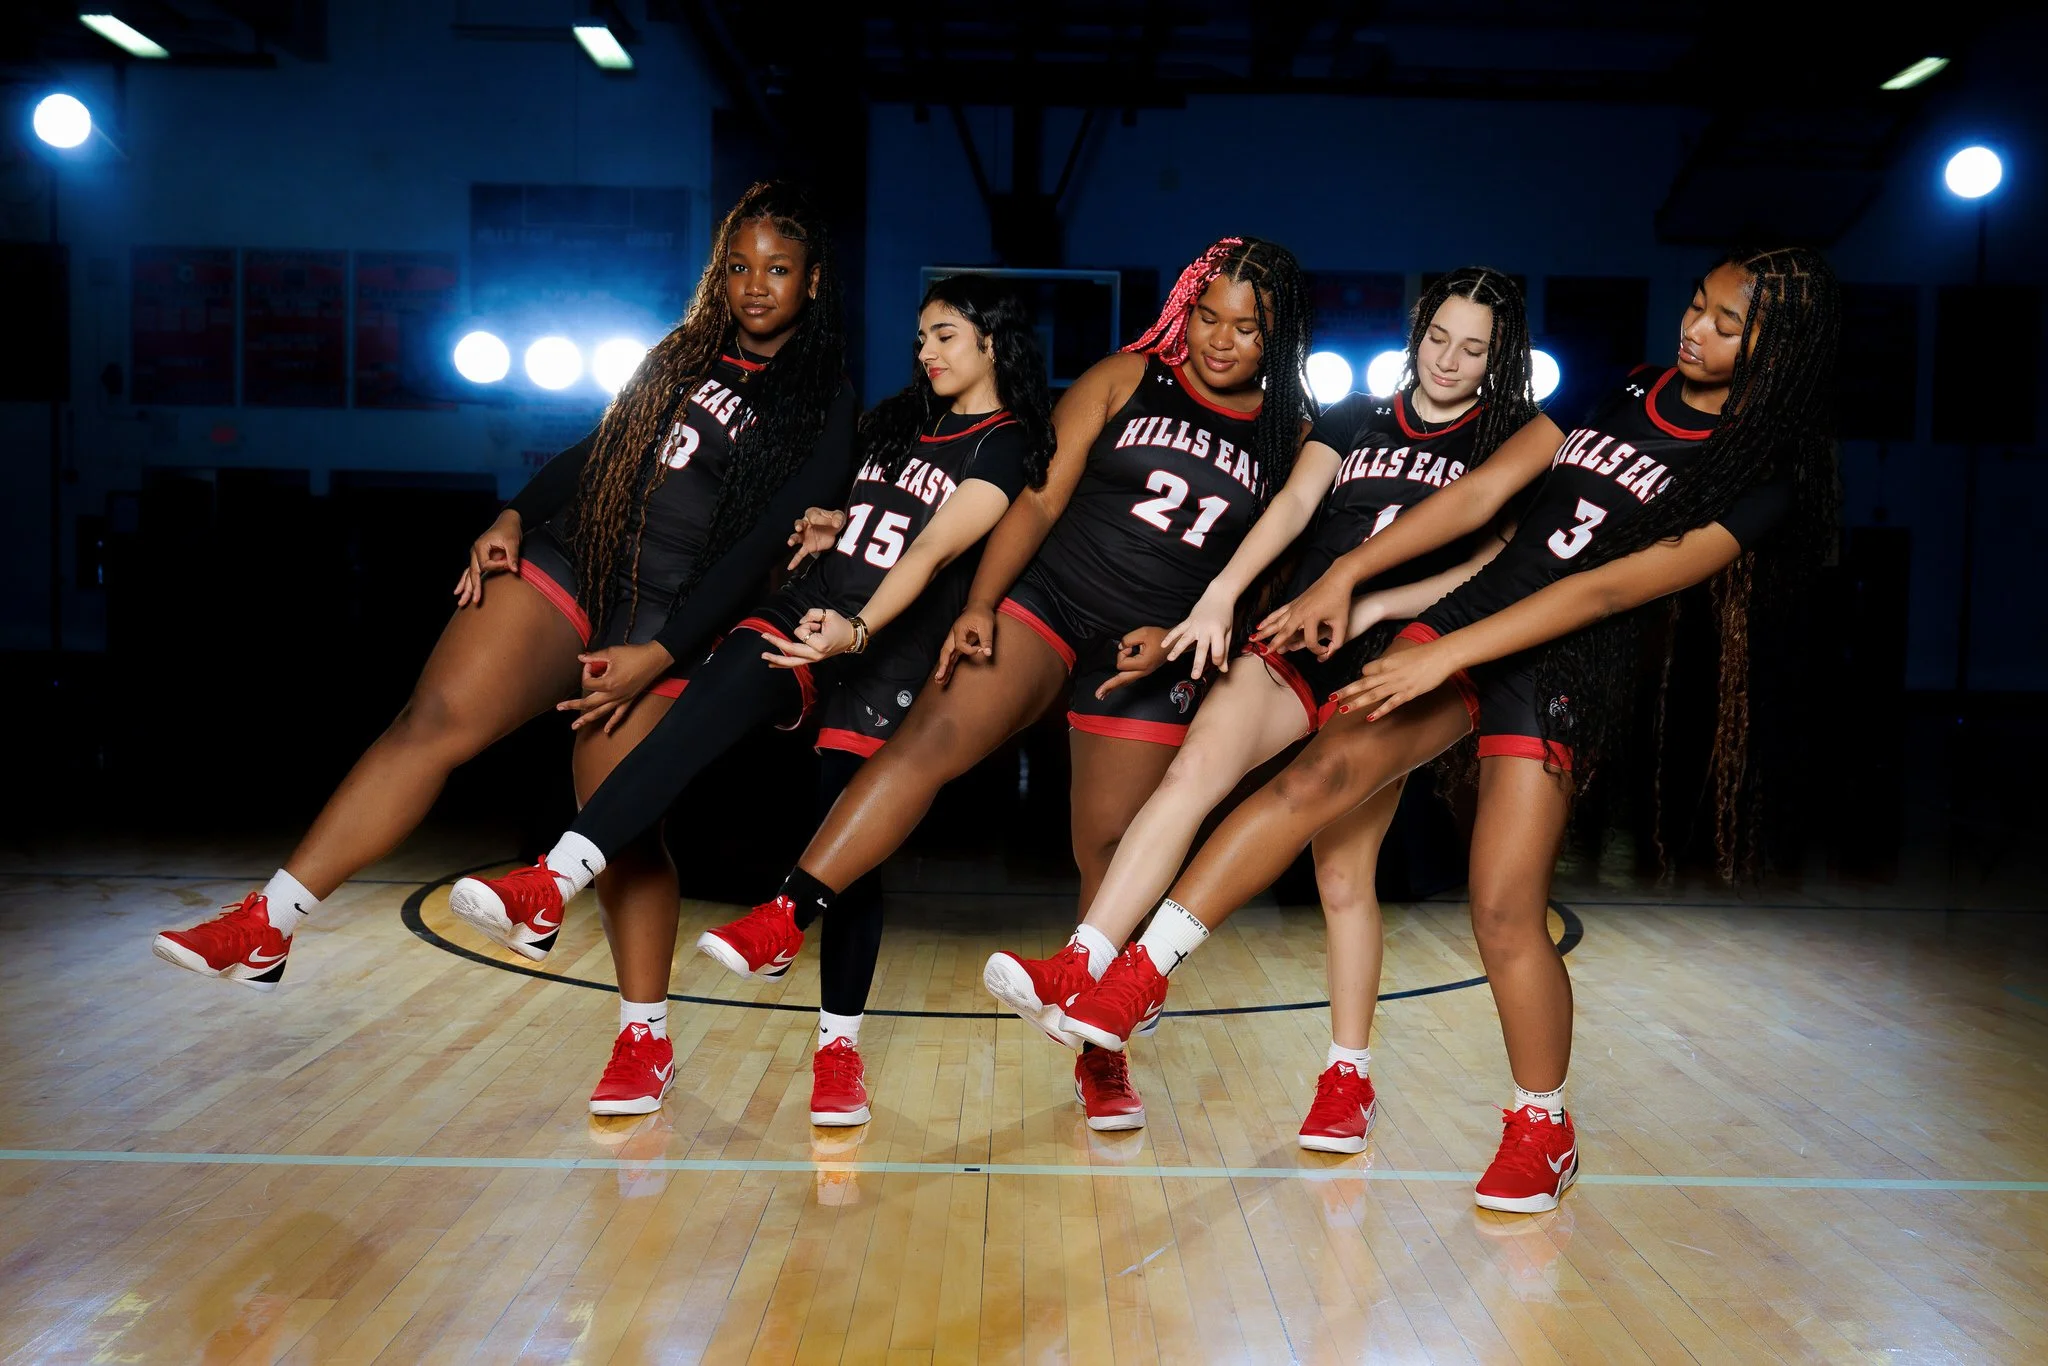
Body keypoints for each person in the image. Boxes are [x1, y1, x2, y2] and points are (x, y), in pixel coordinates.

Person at [1055, 247, 1840, 1212]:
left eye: (1727, 325)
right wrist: (1349, 577)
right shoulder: (1622, 385)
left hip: (1560, 665)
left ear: (1779, 349)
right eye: (1695, 306)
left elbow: (1605, 588)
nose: (1695, 330)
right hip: (1464, 622)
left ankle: (1542, 1126)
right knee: (1312, 780)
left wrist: (1447, 653)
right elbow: (1474, 497)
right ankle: (1137, 977)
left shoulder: (1765, 476)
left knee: (1504, 913)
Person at [152, 182, 856, 990]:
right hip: (574, 562)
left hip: (670, 614)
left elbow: (764, 549)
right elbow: (598, 452)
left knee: (620, 833)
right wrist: (515, 517)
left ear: (811, 282)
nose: (754, 285)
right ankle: (267, 925)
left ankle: (643, 1040)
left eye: (777, 268)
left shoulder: (823, 404)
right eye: (738, 266)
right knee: (431, 718)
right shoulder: (678, 354)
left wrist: (661, 653)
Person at [684, 236, 1317, 1131]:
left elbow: (1270, 568)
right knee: (930, 742)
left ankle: (1099, 1049)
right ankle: (789, 912)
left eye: (1246, 329)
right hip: (1050, 601)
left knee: (1107, 843)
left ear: (1279, 335)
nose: (1220, 340)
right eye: (1208, 317)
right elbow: (1042, 499)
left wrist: (1180, 643)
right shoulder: (1129, 375)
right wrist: (981, 600)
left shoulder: (1293, 432)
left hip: (1147, 647)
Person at [446, 275, 1054, 1118]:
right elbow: (866, 517)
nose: (927, 353)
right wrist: (827, 523)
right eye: (920, 338)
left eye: (946, 336)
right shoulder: (893, 419)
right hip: (801, 615)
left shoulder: (1007, 443)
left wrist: (859, 631)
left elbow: (929, 553)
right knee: (685, 727)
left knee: (849, 854)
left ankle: (838, 1056)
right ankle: (552, 881)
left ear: (993, 341)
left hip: (881, 651)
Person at [982, 268, 1559, 1146]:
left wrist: (1369, 606)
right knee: (1192, 775)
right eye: (1437, 337)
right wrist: (1221, 595)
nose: (1448, 360)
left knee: (1339, 878)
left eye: (1473, 348)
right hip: (1298, 635)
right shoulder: (1356, 415)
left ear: (1500, 358)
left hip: (1396, 658)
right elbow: (1293, 505)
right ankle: (1083, 961)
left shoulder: (1508, 437)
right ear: (1416, 333)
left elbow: (1493, 562)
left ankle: (1347, 1077)